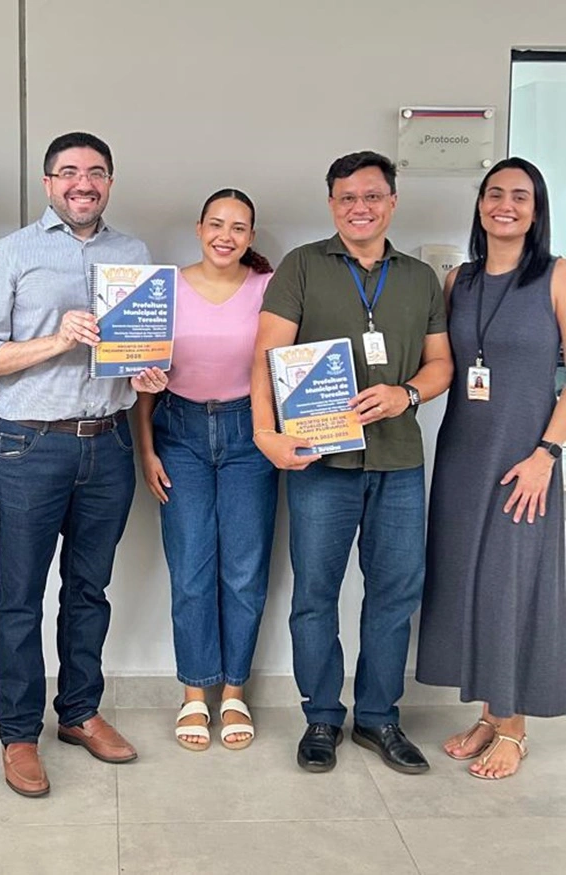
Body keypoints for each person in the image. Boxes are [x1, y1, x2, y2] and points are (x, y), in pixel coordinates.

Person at [0, 131, 166, 797]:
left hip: (105, 443)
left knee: (88, 590)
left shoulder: (131, 254)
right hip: (29, 444)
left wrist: (148, 372)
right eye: (70, 172)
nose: (84, 182)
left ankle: (78, 711)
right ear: (49, 184)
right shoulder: (15, 253)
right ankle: (19, 732)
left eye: (97, 172)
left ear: (109, 182)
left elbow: (134, 360)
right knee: (18, 596)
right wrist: (56, 339)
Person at [251, 151, 453, 775]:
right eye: (346, 198)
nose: (359, 208)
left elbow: (441, 364)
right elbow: (265, 357)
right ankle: (321, 716)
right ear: (331, 204)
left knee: (394, 593)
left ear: (392, 202)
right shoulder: (302, 266)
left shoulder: (420, 277)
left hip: (397, 462)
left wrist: (407, 393)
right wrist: (266, 433)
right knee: (315, 594)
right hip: (321, 462)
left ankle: (378, 717)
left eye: (371, 196)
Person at [416, 157, 566, 779]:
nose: (505, 204)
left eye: (520, 196)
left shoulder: (557, 277)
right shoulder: (459, 281)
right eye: (494, 193)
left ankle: (514, 726)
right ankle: (487, 713)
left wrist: (547, 455)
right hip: (462, 454)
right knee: (469, 581)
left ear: (537, 211)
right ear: (480, 204)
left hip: (526, 459)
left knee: (513, 586)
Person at [135, 188, 278, 751]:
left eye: (239, 227)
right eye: (216, 224)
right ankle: (196, 694)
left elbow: (284, 365)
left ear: (251, 237)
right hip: (179, 434)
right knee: (191, 569)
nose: (226, 235)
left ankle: (235, 691)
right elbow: (145, 379)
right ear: (198, 228)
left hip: (251, 433)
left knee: (244, 569)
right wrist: (145, 450)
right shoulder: (162, 289)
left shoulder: (269, 290)